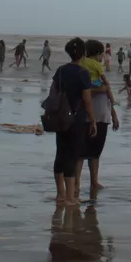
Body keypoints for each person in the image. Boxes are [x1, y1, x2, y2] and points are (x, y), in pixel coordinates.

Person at [50, 38, 97, 207]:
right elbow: (87, 99)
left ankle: (60, 194)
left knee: (60, 152)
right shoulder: (83, 73)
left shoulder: (61, 70)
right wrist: (92, 120)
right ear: (83, 54)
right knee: (73, 154)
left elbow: (53, 91)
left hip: (60, 116)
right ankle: (71, 197)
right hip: (77, 119)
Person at [81, 38, 120, 198]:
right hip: (87, 117)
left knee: (95, 153)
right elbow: (85, 91)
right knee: (82, 153)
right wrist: (103, 89)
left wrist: (114, 115)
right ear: (97, 54)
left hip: (103, 115)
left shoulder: (89, 67)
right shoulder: (86, 69)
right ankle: (77, 183)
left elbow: (107, 98)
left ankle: (94, 181)